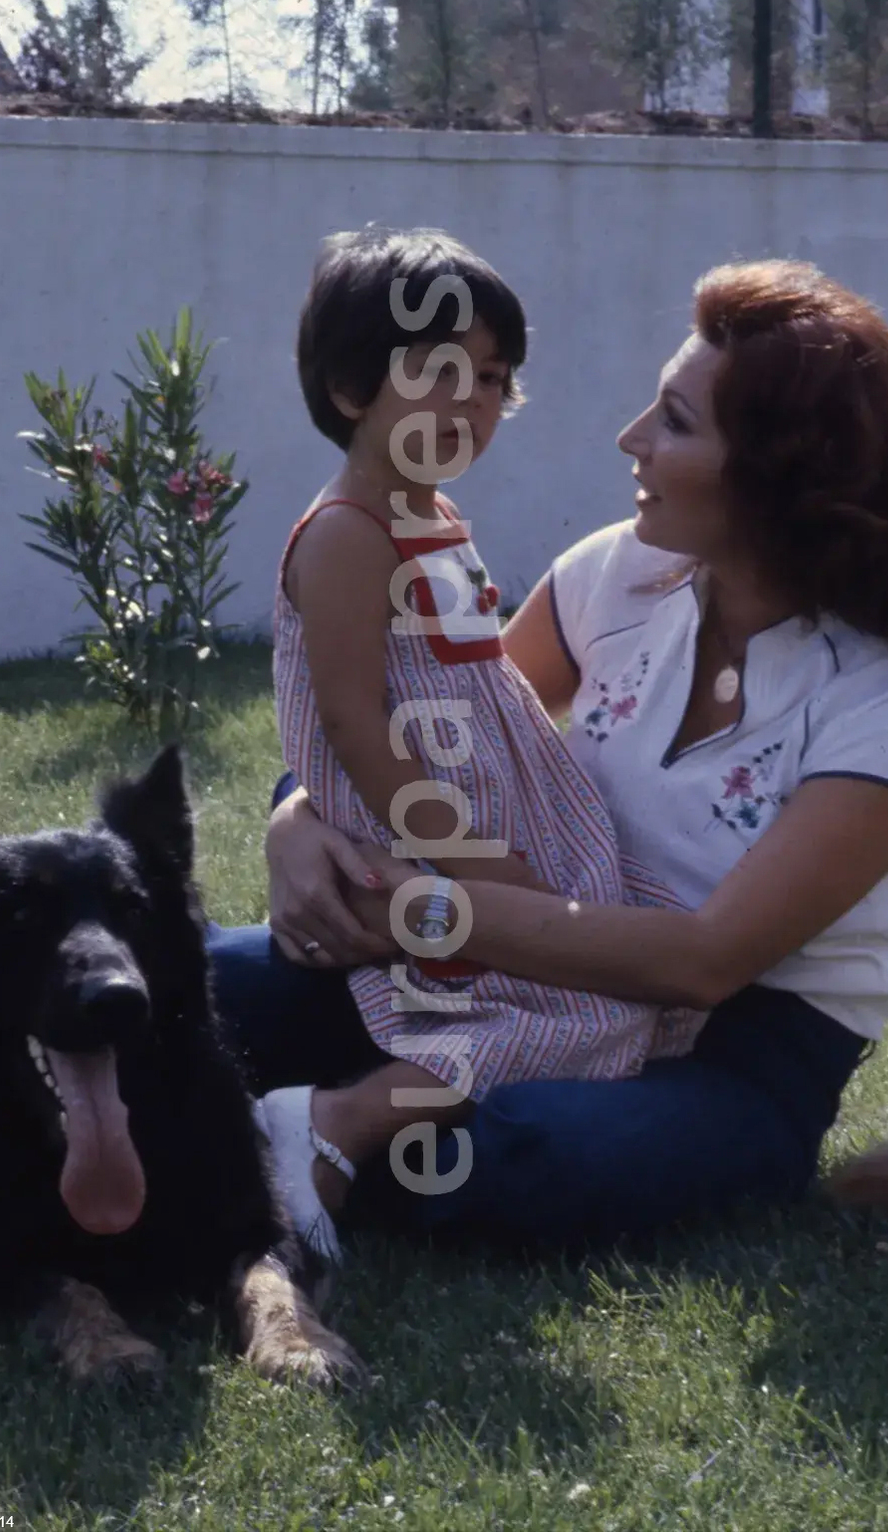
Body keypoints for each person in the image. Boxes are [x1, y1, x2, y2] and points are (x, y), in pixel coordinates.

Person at [210, 257, 888, 1254]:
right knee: (203, 984)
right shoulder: (622, 574)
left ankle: (322, 1131)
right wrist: (298, 814)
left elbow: (709, 962)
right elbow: (444, 725)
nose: (630, 439)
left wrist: (431, 908)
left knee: (521, 1155)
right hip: (508, 971)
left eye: (673, 420)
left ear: (780, 470)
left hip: (732, 1050)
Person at [259, 227, 700, 1260]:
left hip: (495, 822)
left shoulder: (433, 517)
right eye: (438, 374)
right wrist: (464, 855)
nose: (472, 404)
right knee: (579, 1017)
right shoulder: (345, 535)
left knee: (610, 986)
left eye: (494, 379)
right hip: (425, 843)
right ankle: (317, 1127)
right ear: (352, 388)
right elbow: (353, 724)